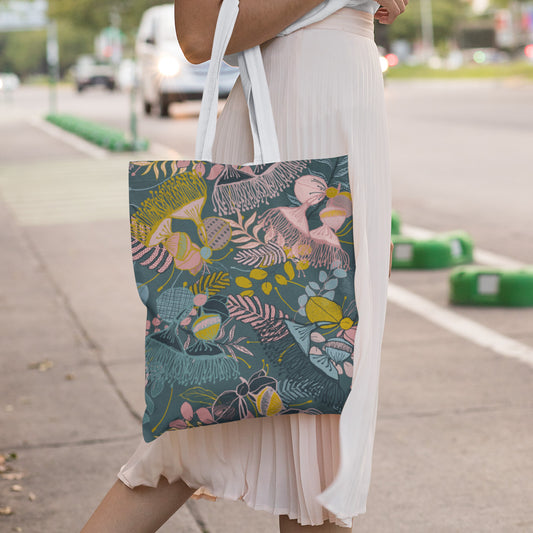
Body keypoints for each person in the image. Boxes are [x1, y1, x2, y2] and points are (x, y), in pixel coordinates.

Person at [81, 1, 407, 531]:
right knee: (317, 420)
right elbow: (196, 33)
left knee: (299, 418)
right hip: (297, 125)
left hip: (345, 116)